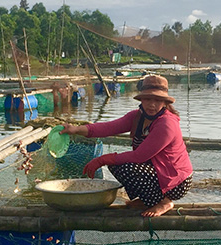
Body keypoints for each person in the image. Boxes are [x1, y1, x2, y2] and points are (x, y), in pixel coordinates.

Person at [61, 74, 193, 217]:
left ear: (165, 103)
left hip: (176, 181)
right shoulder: (137, 117)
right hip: (157, 173)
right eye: (148, 99)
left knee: (124, 166)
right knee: (117, 164)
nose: (152, 104)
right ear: (141, 99)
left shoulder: (167, 124)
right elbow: (107, 128)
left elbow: (139, 156)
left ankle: (164, 202)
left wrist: (102, 159)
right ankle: (148, 200)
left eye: (157, 100)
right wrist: (75, 129)